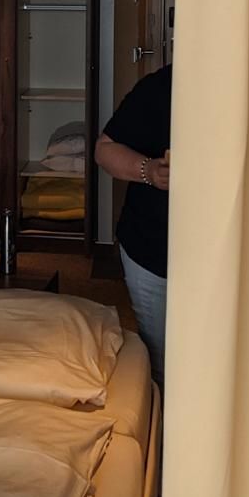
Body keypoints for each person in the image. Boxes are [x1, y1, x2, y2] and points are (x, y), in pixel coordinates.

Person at [94, 63, 172, 384]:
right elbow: (104, 150)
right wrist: (149, 170)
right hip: (152, 249)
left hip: (233, 253)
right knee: (160, 360)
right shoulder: (161, 87)